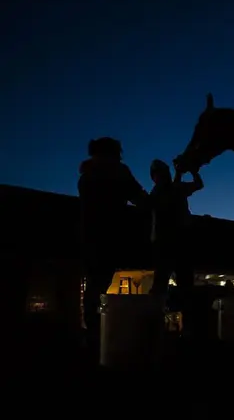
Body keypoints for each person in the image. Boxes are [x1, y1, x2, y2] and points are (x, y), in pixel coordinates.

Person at [78, 137, 148, 361]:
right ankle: (118, 336)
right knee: (126, 285)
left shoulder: (87, 175)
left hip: (90, 238)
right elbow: (139, 197)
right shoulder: (117, 171)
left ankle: (94, 335)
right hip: (115, 238)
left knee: (94, 286)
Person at [148, 159, 203, 337]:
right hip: (170, 244)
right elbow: (196, 185)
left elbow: (197, 184)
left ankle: (182, 327)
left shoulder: (165, 191)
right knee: (166, 285)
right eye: (159, 173)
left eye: (163, 172)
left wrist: (187, 172)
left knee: (175, 285)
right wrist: (187, 172)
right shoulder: (161, 192)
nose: (162, 176)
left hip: (176, 243)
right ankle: (159, 325)